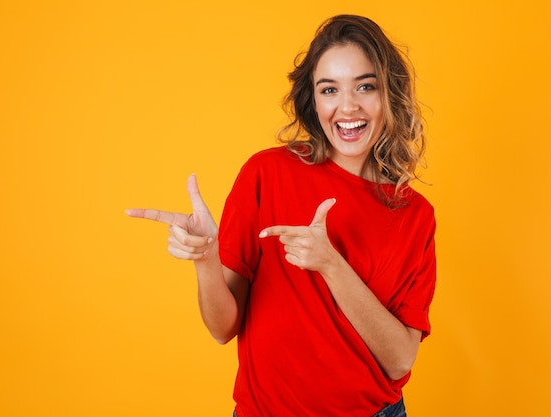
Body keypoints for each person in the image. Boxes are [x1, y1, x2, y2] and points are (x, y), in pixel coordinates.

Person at [126, 14, 436, 417]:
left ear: (388, 94)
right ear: (314, 100)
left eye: (365, 85)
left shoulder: (414, 215)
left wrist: (330, 265)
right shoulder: (267, 173)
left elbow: (400, 360)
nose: (347, 106)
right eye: (329, 89)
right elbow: (223, 329)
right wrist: (206, 258)